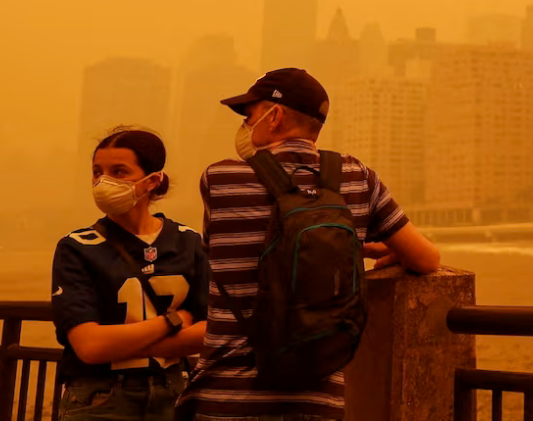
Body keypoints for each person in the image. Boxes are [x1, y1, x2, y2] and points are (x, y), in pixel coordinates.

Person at [181, 67, 442, 419]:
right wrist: (376, 247)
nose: (245, 126)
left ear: (275, 116)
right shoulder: (358, 177)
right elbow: (427, 259)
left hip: (227, 397)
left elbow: (227, 250)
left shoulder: (220, 179)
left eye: (249, 117)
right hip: (319, 402)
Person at [51, 127, 210, 420]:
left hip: (173, 392)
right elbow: (90, 346)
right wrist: (173, 321)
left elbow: (211, 332)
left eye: (119, 171)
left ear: (152, 181)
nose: (103, 181)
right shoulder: (77, 247)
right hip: (99, 398)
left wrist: (120, 345)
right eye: (97, 172)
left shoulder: (188, 242)